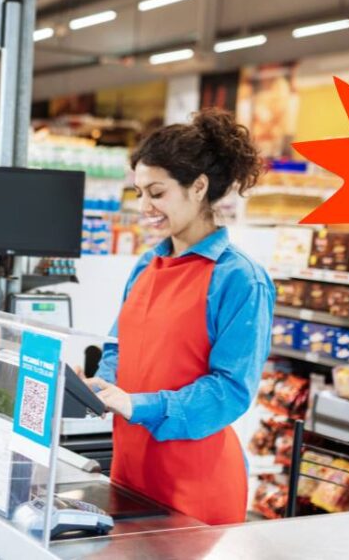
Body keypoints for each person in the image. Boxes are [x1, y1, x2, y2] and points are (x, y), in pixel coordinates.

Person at [86, 108, 275, 526]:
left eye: (156, 192)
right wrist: (103, 383)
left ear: (198, 187)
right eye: (138, 193)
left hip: (196, 486)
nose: (144, 207)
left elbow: (230, 390)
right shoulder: (146, 264)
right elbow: (121, 344)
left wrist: (140, 405)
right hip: (132, 471)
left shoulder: (240, 278)